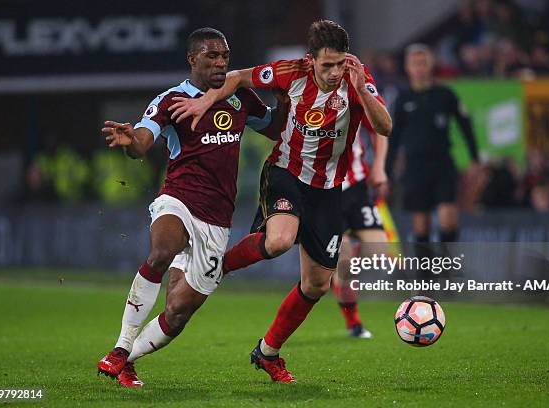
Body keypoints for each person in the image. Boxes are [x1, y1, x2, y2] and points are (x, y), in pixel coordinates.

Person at [169, 20, 392, 383]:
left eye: (339, 64)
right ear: (311, 60)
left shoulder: (356, 77)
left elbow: (384, 127)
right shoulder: (291, 72)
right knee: (279, 240)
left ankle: (268, 352)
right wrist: (207, 100)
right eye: (326, 65)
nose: (334, 72)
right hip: (286, 172)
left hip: (328, 188)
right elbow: (239, 76)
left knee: (317, 285)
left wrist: (362, 92)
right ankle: (219, 266)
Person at [96, 27, 286, 387]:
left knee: (178, 312)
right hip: (178, 199)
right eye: (211, 55)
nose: (220, 62)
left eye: (225, 56)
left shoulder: (240, 98)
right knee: (160, 251)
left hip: (217, 220)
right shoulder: (170, 100)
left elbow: (275, 128)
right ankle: (120, 348)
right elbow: (142, 141)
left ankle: (130, 359)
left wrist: (285, 98)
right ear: (192, 59)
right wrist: (129, 142)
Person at [386, 44, 479, 245]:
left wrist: (474, 158)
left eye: (423, 63)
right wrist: (386, 170)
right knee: (421, 225)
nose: (419, 68)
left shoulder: (445, 95)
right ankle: (425, 274)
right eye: (415, 64)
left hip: (442, 164)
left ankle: (447, 268)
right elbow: (393, 137)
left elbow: (466, 125)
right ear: (408, 67)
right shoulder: (402, 99)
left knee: (448, 220)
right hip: (415, 167)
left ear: (431, 65)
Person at [333, 122, 389, 339]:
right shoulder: (306, 90)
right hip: (325, 189)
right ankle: (354, 323)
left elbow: (380, 127)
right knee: (344, 262)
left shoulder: (359, 88)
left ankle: (335, 270)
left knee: (379, 253)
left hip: (356, 185)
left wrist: (379, 165)